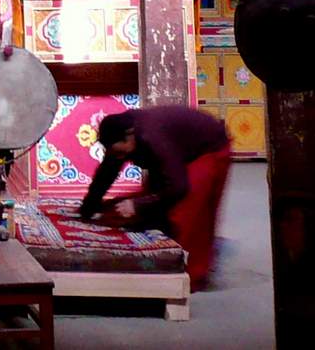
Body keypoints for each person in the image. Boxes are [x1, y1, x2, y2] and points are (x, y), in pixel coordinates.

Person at [78, 105, 234, 286]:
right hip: (178, 152)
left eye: (121, 152)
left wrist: (138, 205)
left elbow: (178, 188)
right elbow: (107, 172)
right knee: (145, 206)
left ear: (130, 136)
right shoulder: (122, 132)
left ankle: (185, 277)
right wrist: (89, 207)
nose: (119, 157)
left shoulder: (153, 138)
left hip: (208, 150)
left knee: (185, 214)